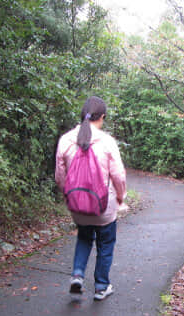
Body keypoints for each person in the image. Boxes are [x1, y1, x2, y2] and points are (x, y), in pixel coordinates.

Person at [55, 96, 127, 301]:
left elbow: (60, 176)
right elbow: (119, 176)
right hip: (104, 207)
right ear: (102, 117)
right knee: (105, 243)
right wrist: (121, 197)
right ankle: (101, 287)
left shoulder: (66, 140)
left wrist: (68, 196)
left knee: (84, 238)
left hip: (78, 206)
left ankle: (77, 275)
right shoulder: (107, 141)